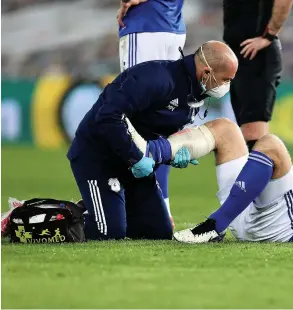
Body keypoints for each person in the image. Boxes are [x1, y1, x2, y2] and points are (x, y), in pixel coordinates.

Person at [67, 41, 238, 240]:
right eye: (226, 79)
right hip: (98, 157)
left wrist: (171, 155)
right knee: (108, 232)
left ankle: (103, 205)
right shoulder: (155, 78)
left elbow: (155, 134)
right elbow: (107, 117)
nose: (227, 86)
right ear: (207, 73)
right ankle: (39, 216)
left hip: (133, 165)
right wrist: (135, 158)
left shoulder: (194, 94)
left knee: (157, 232)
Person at [116, 0, 187, 226]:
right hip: (173, 25)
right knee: (163, 115)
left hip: (145, 24)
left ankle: (145, 209)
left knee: (135, 115)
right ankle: (161, 207)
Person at [223, 0, 293, 149]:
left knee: (254, 136)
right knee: (245, 133)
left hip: (256, 55)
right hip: (239, 53)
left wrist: (269, 35)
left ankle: (267, 171)